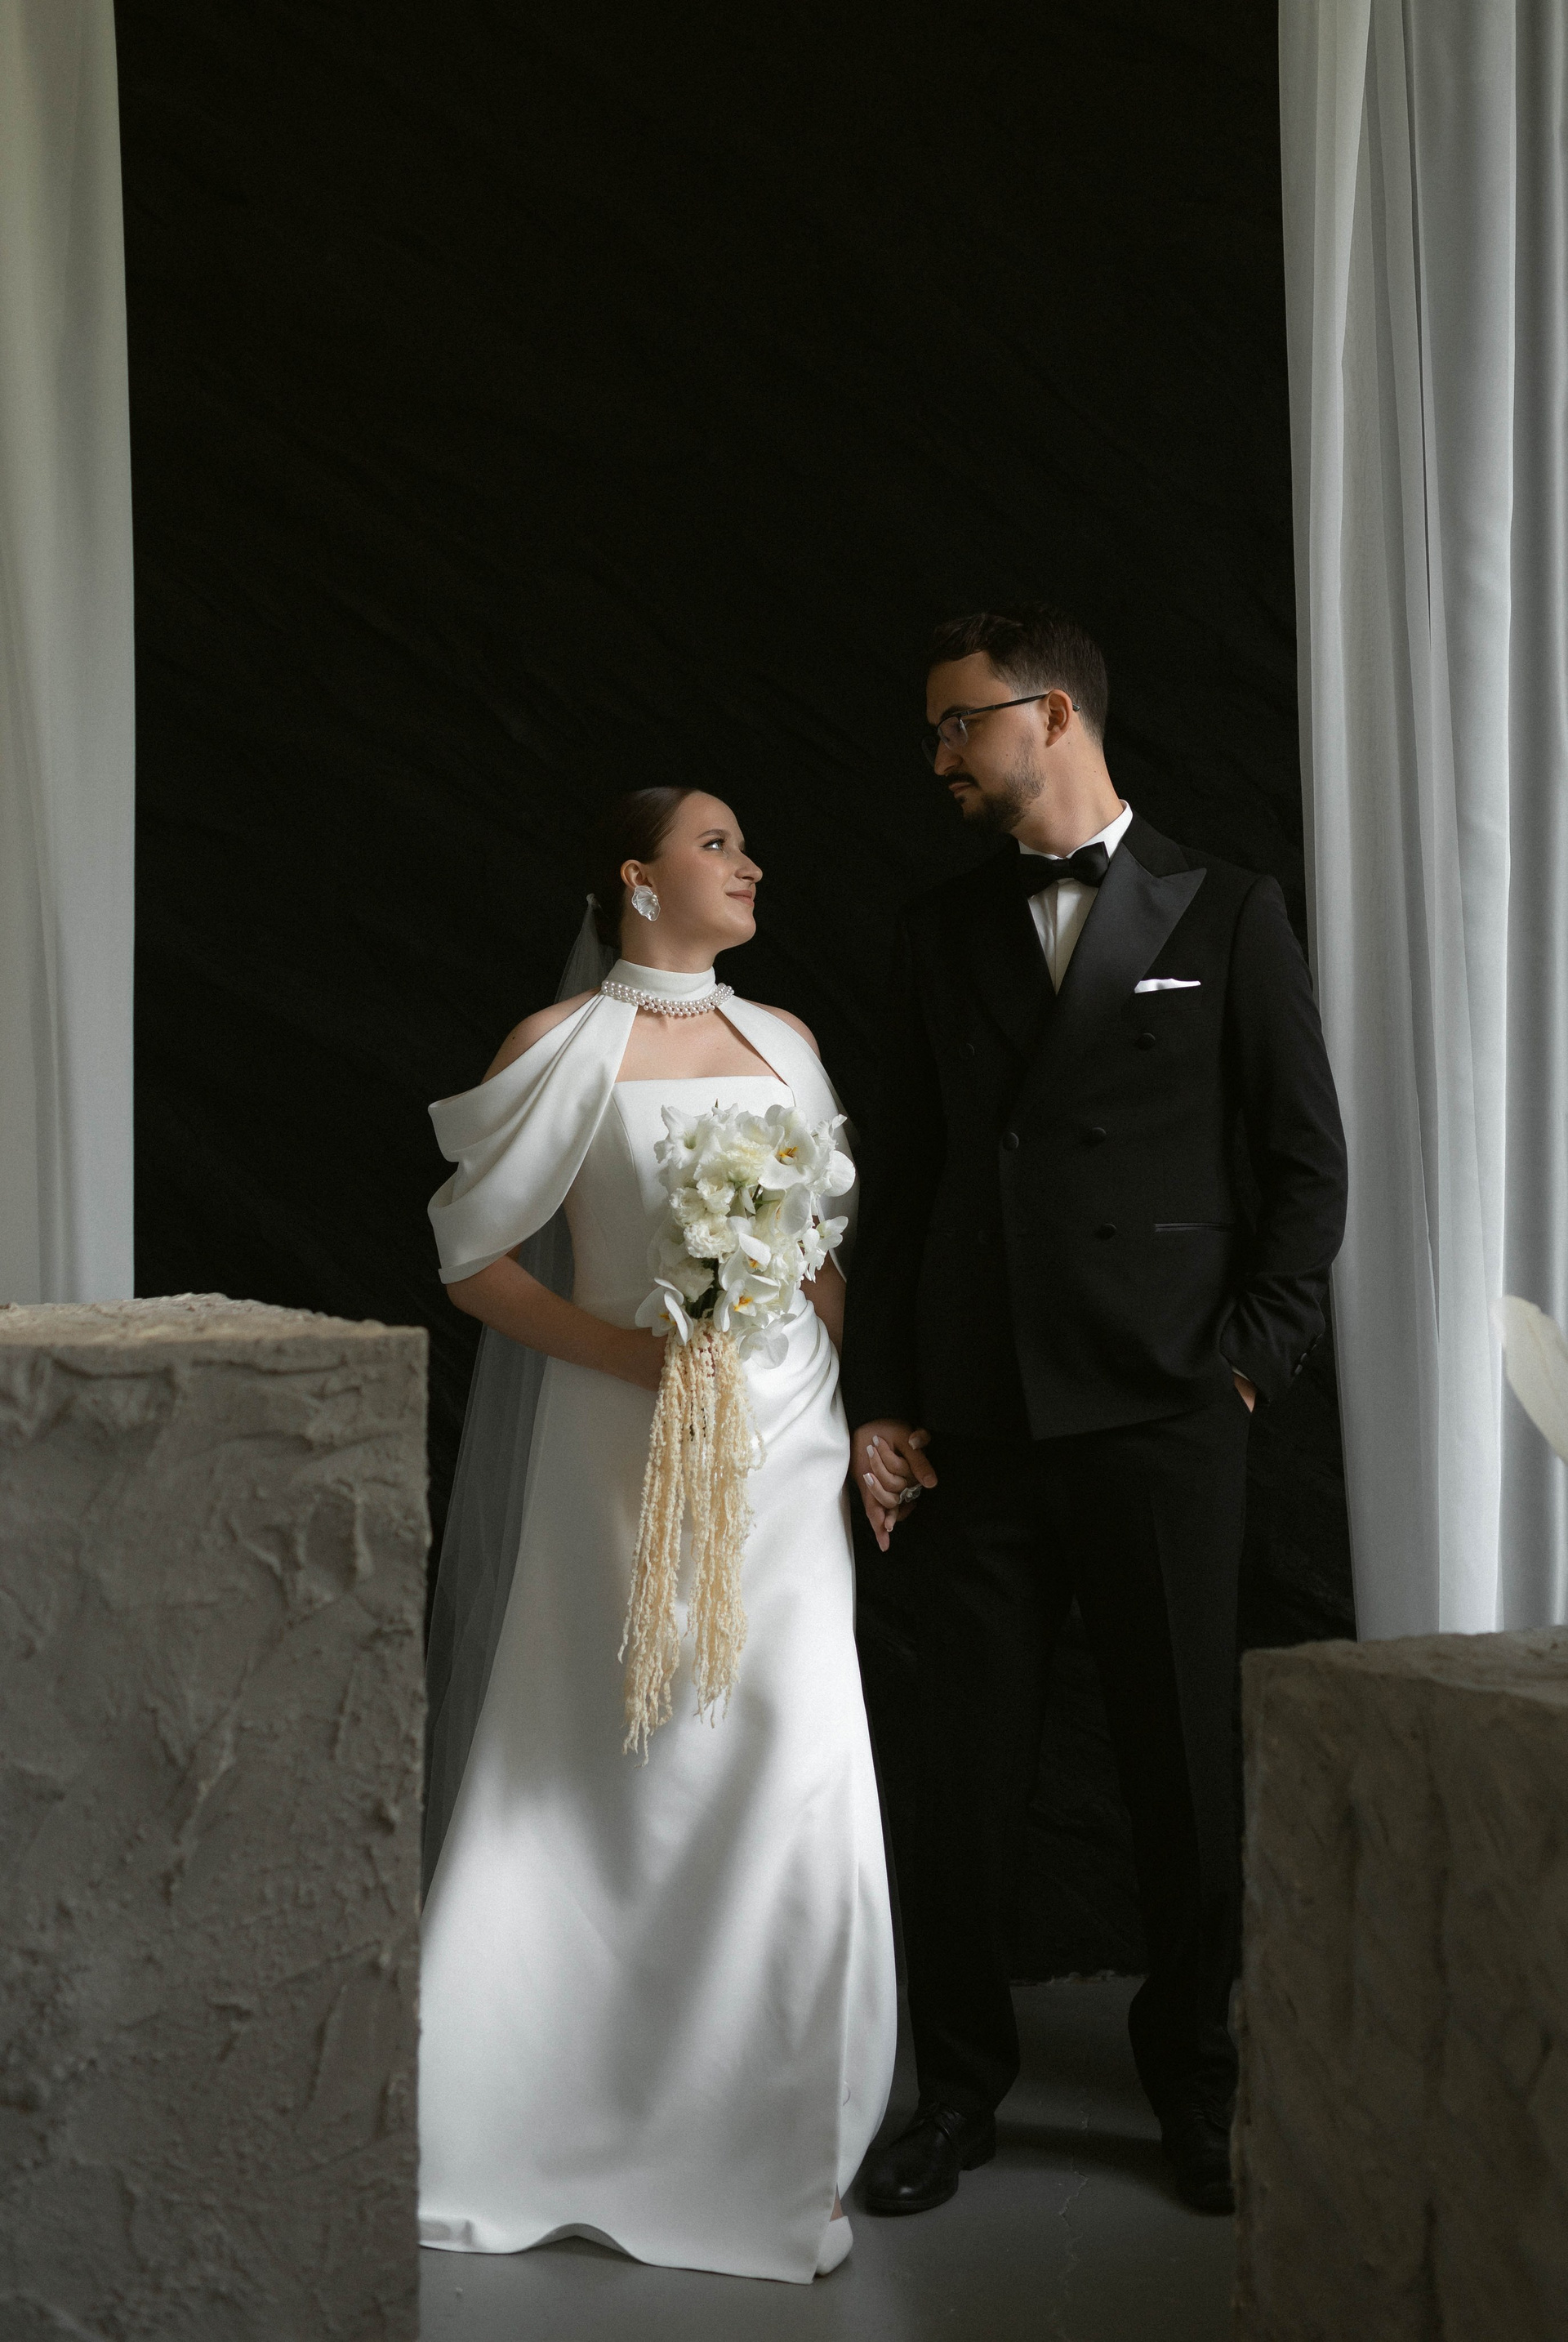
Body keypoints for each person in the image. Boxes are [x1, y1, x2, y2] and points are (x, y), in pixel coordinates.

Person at [842, 606, 1347, 2217]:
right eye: (934, 729)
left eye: (959, 723)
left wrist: (1248, 1361)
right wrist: (883, 1402)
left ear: (1050, 716)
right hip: (977, 1426)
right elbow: (905, 1186)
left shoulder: (1229, 907)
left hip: (1161, 1415)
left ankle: (1197, 2081)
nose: (938, 755)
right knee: (959, 1776)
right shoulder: (939, 930)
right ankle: (956, 2093)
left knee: (1183, 1773)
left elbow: (1306, 1167)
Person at [417, 786, 896, 2283]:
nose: (749, 863)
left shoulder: (788, 1044)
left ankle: (772, 2132)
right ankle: (540, 2108)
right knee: (609, 1753)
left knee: (787, 1751)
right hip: (619, 1443)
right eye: (714, 843)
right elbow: (476, 1261)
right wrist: (631, 1358)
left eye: (745, 844)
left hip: (785, 1446)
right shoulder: (559, 1048)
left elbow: (823, 1257)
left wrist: (852, 1413)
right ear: (636, 878)